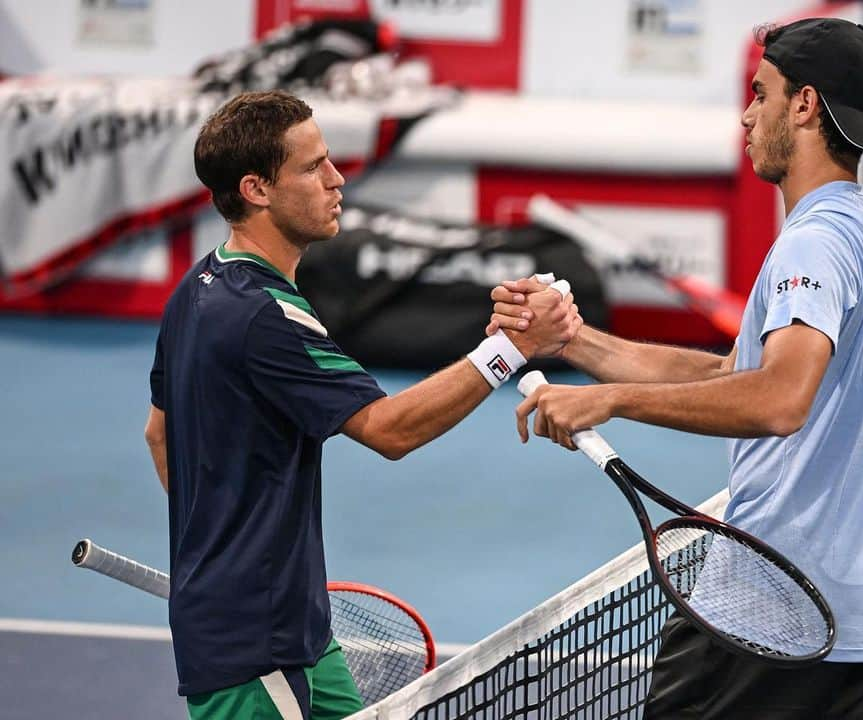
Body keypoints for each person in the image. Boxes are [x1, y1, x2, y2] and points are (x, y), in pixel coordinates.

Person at [489, 18, 863, 719]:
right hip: (858, 609)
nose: (747, 114)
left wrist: (611, 401)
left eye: (760, 93)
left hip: (776, 607)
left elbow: (778, 400)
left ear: (804, 105)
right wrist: (575, 342)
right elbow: (732, 376)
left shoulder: (814, 246)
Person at [144, 90, 579, 720]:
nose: (336, 177)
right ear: (256, 189)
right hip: (252, 651)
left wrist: (215, 551)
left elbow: (160, 435)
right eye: (312, 166)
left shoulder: (197, 289)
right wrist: (511, 350)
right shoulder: (264, 317)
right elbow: (390, 429)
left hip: (299, 630)